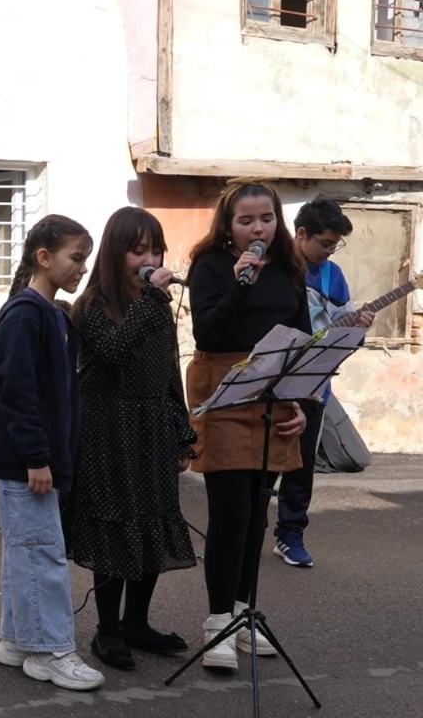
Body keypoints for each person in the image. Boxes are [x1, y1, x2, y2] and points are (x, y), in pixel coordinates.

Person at [184, 180, 310, 671]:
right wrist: (240, 281)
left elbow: (301, 339)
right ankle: (217, 623)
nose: (258, 228)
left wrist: (299, 402)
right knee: (230, 513)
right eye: (246, 220)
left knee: (258, 513)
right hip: (225, 389)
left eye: (266, 218)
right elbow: (207, 332)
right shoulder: (211, 266)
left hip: (275, 394)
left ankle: (242, 615)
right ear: (228, 225)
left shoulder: (290, 268)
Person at [66, 207, 198, 671]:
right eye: (138, 249)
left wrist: (183, 432)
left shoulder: (155, 308)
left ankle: (136, 622)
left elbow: (168, 372)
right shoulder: (93, 305)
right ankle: (106, 630)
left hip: (152, 427)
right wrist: (149, 301)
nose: (150, 257)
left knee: (152, 523)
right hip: (107, 428)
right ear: (116, 252)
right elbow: (116, 350)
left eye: (155, 248)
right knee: (115, 525)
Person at [0, 214, 105, 692]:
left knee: (25, 550)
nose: (82, 268)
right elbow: (16, 393)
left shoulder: (54, 314)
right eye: (76, 258)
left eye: (85, 259)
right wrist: (38, 457)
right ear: (44, 257)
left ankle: (17, 640)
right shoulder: (24, 314)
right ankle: (52, 651)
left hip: (38, 458)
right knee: (44, 554)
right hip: (28, 461)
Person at [275, 199, 374, 568]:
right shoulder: (275, 268)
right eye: (326, 243)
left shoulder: (333, 276)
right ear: (301, 234)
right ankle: (244, 534)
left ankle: (290, 535)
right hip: (269, 380)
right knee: (261, 464)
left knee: (301, 466)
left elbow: (341, 329)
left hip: (314, 384)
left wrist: (358, 328)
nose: (331, 251)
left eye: (335, 245)